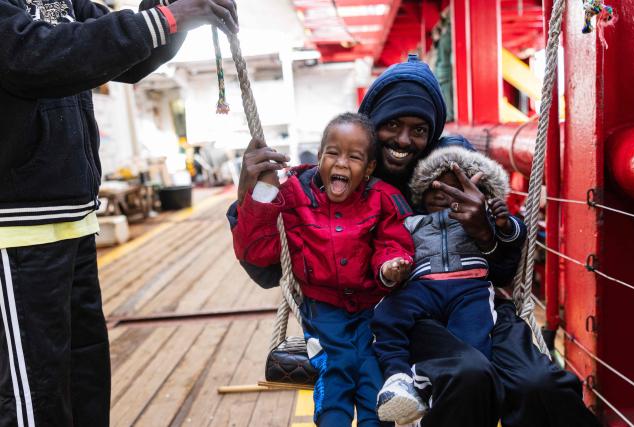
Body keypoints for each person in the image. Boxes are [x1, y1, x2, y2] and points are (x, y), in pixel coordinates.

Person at [229, 54, 601, 427]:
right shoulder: (335, 182)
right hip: (399, 316)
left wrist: (485, 230)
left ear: (433, 131)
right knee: (467, 375)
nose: (404, 140)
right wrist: (251, 194)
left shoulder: (454, 166)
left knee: (540, 384)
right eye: (391, 124)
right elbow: (266, 269)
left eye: (419, 129)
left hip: (473, 302)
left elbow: (504, 270)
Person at [0, 0, 238, 425]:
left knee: (85, 382)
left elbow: (122, 53)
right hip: (16, 233)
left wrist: (169, 9)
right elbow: (31, 56)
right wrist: (168, 18)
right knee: (36, 398)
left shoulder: (64, 3)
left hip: (73, 220)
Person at [232, 113, 414, 427]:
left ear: (369, 169)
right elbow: (256, 251)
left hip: (373, 311)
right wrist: (263, 192)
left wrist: (390, 266)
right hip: (323, 313)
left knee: (374, 376)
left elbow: (392, 240)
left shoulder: (383, 199)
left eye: (354, 157)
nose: (341, 163)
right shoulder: (293, 198)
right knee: (335, 373)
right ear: (319, 157)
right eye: (332, 153)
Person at [372, 146, 525, 424]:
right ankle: (398, 377)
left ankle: (445, 397)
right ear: (421, 193)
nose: (446, 194)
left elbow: (512, 239)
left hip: (468, 287)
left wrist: (502, 223)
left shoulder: (481, 220)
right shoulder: (412, 223)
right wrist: (393, 264)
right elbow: (388, 244)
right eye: (437, 187)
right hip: (423, 286)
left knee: (473, 342)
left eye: (457, 189)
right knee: (387, 315)